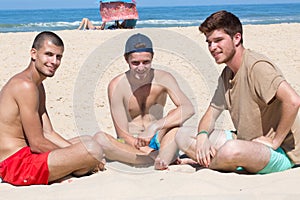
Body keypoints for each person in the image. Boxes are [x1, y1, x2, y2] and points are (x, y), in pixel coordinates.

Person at [176, 10, 300, 174]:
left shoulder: (257, 66)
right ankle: (219, 160)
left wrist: (275, 141)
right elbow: (211, 114)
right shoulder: (227, 74)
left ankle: (206, 163)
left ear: (237, 38)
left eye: (218, 40)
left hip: (281, 152)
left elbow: (293, 100)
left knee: (231, 150)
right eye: (209, 42)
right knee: (183, 136)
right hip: (245, 140)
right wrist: (203, 136)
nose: (212, 47)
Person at [0, 31, 104, 186]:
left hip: (27, 155)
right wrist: (80, 155)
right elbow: (37, 143)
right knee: (92, 149)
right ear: (34, 54)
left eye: (58, 57)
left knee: (88, 141)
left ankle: (72, 168)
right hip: (16, 165)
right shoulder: (24, 85)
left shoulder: (37, 86)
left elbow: (48, 132)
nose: (54, 61)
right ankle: (72, 169)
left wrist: (75, 152)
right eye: (48, 54)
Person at [94, 33, 195, 170]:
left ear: (152, 57)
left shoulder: (164, 78)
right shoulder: (117, 85)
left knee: (174, 115)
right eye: (135, 63)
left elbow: (188, 108)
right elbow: (122, 133)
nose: (141, 68)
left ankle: (160, 157)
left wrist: (154, 127)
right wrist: (150, 153)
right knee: (100, 139)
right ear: (126, 59)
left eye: (146, 62)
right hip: (130, 143)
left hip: (157, 138)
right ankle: (161, 158)